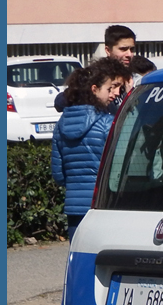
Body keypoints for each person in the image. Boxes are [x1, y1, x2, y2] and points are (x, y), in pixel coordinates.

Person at [51, 59, 120, 240]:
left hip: (74, 207)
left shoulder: (60, 126)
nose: (112, 94)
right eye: (108, 89)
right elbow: (118, 168)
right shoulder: (107, 123)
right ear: (94, 89)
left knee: (79, 259)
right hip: (104, 204)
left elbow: (58, 174)